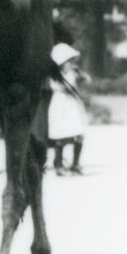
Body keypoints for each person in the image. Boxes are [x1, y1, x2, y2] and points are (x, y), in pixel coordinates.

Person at [48, 42, 89, 176]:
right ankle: (58, 165)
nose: (71, 62)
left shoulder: (73, 72)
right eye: (68, 60)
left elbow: (87, 80)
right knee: (61, 134)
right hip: (61, 103)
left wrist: (80, 74)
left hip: (72, 104)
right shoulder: (55, 75)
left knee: (79, 133)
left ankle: (75, 164)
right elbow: (58, 87)